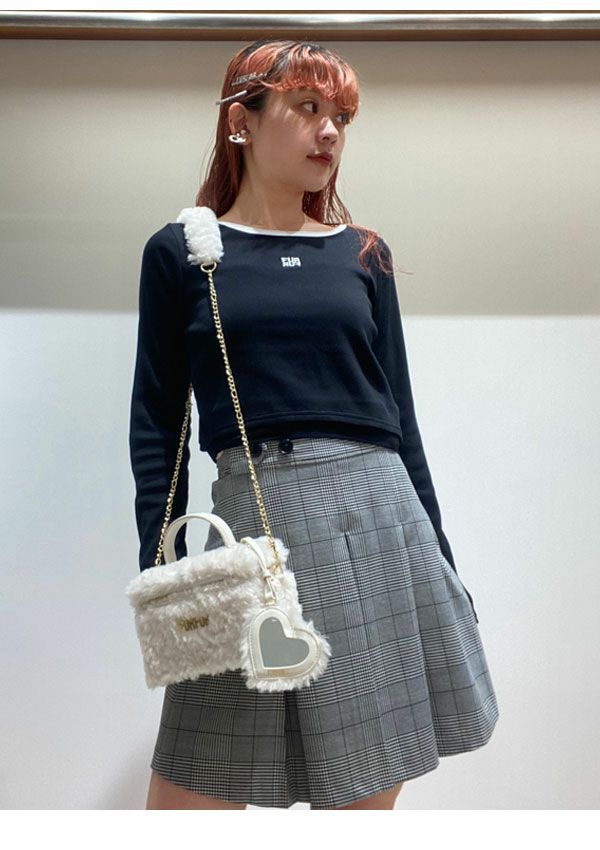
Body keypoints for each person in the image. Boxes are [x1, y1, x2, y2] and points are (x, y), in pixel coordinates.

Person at [128, 38, 500, 811]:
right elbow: (158, 426)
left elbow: (400, 420)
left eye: (341, 117)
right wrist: (163, 566)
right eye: (307, 108)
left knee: (363, 792)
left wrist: (442, 557)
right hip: (255, 525)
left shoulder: (363, 255)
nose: (329, 131)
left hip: (382, 519)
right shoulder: (183, 252)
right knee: (187, 795)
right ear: (242, 121)